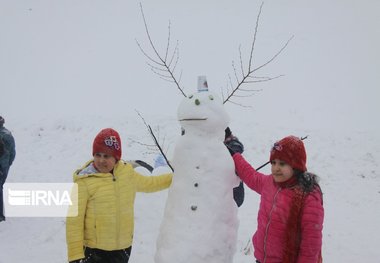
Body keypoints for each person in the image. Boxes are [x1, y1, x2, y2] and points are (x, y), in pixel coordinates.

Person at [66, 128, 173, 263]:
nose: (101, 160)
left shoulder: (127, 174)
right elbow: (74, 220)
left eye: (107, 156)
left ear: (116, 158)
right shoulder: (84, 181)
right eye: (98, 155)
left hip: (123, 248)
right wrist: (75, 255)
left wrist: (176, 178)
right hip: (95, 250)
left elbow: (150, 183)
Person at [225, 135, 324, 263]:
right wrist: (234, 155)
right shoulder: (269, 183)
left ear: (296, 166)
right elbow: (251, 175)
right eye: (273, 162)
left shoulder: (308, 197)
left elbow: (311, 245)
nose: (276, 168)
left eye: (282, 164)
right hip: (262, 259)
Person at [0, 116, 16, 222]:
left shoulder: (4, 135)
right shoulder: (7, 133)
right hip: (4, 166)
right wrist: (7, 165)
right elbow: (13, 153)